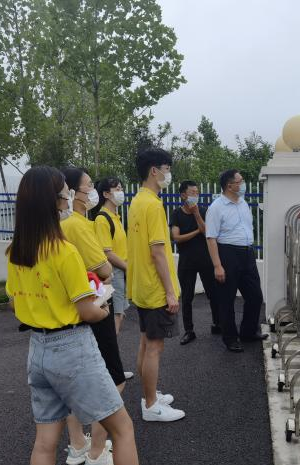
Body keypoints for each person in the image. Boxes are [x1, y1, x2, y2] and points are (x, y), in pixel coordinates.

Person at [5, 165, 178, 465]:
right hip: (72, 348)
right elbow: (88, 311)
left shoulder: (15, 251)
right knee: (123, 428)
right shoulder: (63, 251)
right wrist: (103, 305)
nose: (69, 197)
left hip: (38, 350)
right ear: (55, 200)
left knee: (44, 443)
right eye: (65, 192)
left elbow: (14, 303)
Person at [60, 166, 125, 465]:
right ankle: (97, 452)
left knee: (75, 383)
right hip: (95, 306)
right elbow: (104, 270)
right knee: (114, 379)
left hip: (68, 312)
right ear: (73, 192)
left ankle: (77, 445)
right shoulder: (79, 225)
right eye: (88, 185)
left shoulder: (57, 227)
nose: (93, 191)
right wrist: (105, 273)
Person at [127, 148, 184, 422]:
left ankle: (148, 395)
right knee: (154, 347)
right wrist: (170, 291)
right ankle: (150, 405)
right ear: (154, 171)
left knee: (145, 342)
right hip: (155, 288)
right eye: (166, 168)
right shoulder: (153, 205)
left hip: (141, 286)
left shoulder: (137, 201)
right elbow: (158, 252)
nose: (168, 174)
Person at [206, 169, 268, 353]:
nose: (243, 184)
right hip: (227, 254)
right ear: (229, 185)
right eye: (240, 181)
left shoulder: (243, 203)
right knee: (227, 299)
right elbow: (211, 238)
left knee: (255, 296)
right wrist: (217, 265)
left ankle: (248, 332)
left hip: (247, 253)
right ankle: (230, 338)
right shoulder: (216, 207)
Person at [170, 180, 221, 345]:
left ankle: (217, 324)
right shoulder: (176, 214)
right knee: (187, 297)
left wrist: (197, 214)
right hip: (187, 262)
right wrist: (196, 231)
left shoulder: (204, 211)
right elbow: (176, 238)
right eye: (192, 193)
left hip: (206, 260)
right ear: (183, 195)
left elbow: (207, 232)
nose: (195, 196)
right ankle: (189, 331)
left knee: (213, 294)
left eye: (197, 193)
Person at [92, 178, 129, 334]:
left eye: (121, 189)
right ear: (106, 194)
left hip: (121, 269)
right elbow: (106, 252)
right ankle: (111, 346)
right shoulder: (102, 219)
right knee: (116, 314)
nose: (121, 192)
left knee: (120, 312)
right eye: (117, 189)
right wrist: (128, 267)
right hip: (114, 271)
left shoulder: (115, 216)